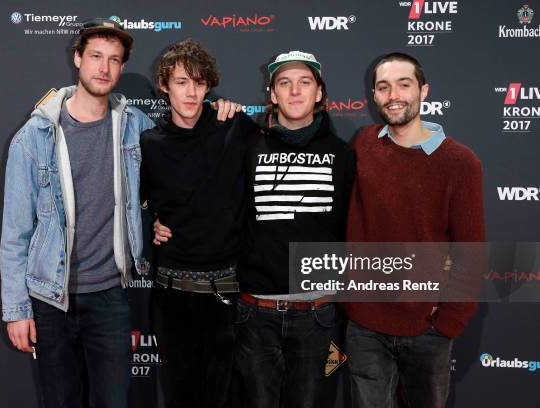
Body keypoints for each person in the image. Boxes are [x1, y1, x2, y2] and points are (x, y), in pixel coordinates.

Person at [0, 18, 236, 407]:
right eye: (95, 57)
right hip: (50, 298)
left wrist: (220, 108)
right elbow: (15, 232)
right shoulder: (34, 136)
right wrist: (16, 310)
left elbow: (182, 145)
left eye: (113, 59)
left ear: (122, 67)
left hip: (110, 296)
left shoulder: (135, 127)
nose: (104, 68)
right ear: (77, 59)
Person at [342, 52, 485, 408]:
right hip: (365, 327)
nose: (394, 95)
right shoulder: (363, 144)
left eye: (404, 85)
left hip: (428, 331)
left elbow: (471, 250)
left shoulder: (460, 161)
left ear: (423, 91)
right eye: (384, 87)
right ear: (374, 96)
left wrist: (447, 321)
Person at [234, 51, 355, 408]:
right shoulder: (248, 146)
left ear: (319, 93)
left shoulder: (342, 154)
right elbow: (221, 207)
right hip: (255, 312)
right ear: (272, 93)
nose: (295, 91)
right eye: (284, 83)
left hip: (316, 314)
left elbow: (354, 225)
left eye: (305, 82)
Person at [140, 38, 255, 408]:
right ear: (164, 85)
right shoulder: (149, 143)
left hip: (226, 294)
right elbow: (131, 206)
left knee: (223, 399)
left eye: (200, 83)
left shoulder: (234, 127)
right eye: (181, 82)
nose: (191, 93)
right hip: (171, 295)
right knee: (179, 396)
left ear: (209, 86)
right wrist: (150, 224)